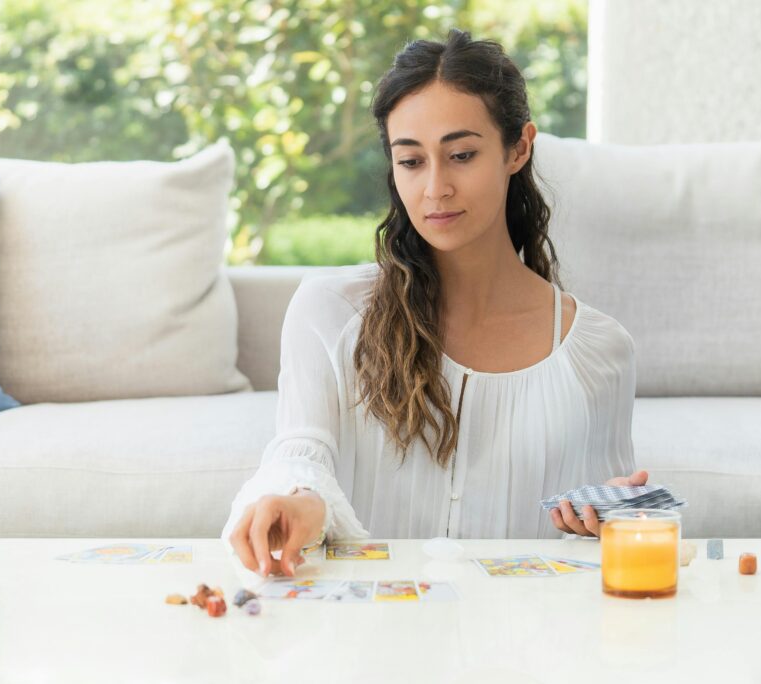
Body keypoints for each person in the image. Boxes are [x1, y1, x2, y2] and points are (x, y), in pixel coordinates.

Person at [222, 28, 647, 578]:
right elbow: (299, 451)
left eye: (462, 154)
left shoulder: (598, 350)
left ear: (518, 148)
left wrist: (611, 516)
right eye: (412, 162)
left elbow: (607, 533)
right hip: (371, 644)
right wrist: (299, 499)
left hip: (522, 646)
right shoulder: (329, 311)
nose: (435, 188)